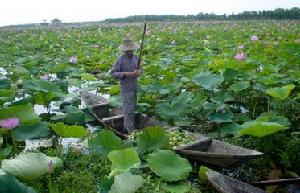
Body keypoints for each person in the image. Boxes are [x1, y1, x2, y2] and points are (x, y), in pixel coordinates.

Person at [110, 34, 143, 133]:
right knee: (127, 109)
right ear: (124, 50)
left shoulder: (136, 58)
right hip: (126, 89)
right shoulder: (120, 60)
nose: (130, 52)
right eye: (128, 51)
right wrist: (125, 74)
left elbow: (141, 69)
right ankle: (131, 131)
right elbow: (112, 74)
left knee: (132, 109)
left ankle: (126, 127)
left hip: (134, 87)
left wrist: (138, 72)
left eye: (131, 50)